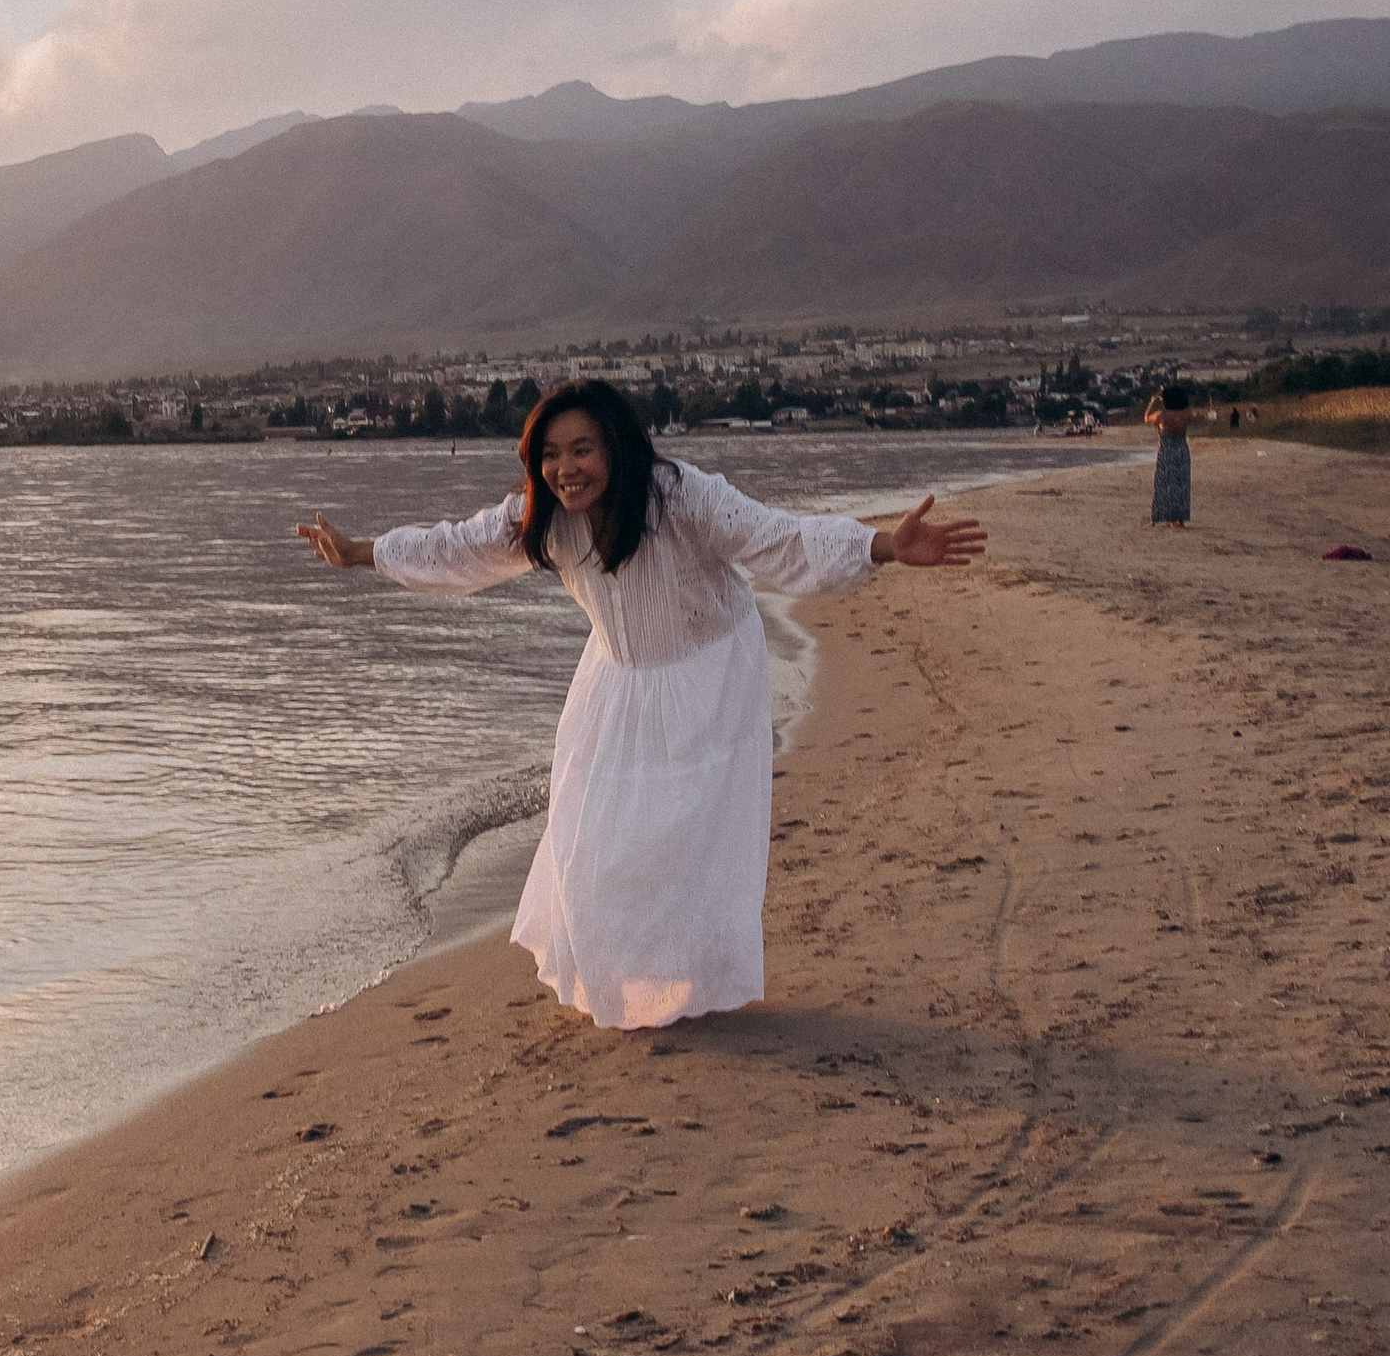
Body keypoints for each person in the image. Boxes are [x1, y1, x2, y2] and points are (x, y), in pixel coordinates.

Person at [298, 378, 986, 1032]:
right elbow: (459, 547)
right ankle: (621, 978)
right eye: (551, 454)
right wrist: (362, 553)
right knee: (590, 830)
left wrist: (882, 546)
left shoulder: (682, 497)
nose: (566, 468)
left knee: (680, 837)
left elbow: (778, 539)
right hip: (616, 675)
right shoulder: (539, 515)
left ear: (616, 448)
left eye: (582, 450)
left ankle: (685, 983)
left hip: (708, 670)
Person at [1144, 380, 1194, 527]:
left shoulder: (1162, 415)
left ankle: (1171, 518)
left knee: (1167, 485)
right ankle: (1180, 518)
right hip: (1182, 450)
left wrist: (1153, 401)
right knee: (1182, 484)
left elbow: (1147, 418)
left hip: (1168, 451)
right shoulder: (1186, 414)